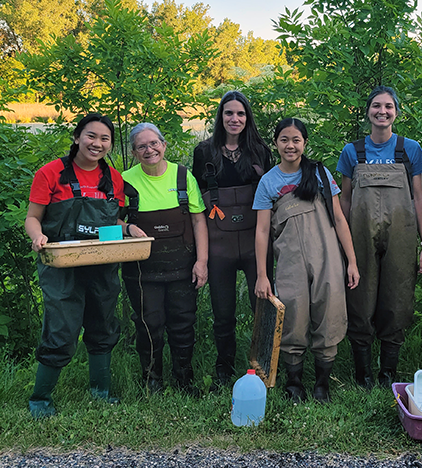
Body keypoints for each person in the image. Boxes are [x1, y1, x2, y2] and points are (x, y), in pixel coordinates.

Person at [25, 113, 126, 418]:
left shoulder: (114, 179)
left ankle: (101, 391)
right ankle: (40, 398)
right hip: (60, 264)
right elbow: (32, 217)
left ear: (109, 144)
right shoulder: (51, 173)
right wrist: (37, 235)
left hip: (102, 264)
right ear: (77, 137)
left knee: (103, 324)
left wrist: (129, 229)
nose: (97, 143)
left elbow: (114, 222)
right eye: (91, 136)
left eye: (104, 138)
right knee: (61, 328)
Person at [254, 118, 360, 402]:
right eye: (284, 139)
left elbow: (339, 218)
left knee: (330, 316)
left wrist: (351, 261)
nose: (290, 145)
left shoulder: (321, 174)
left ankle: (322, 384)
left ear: (304, 143)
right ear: (275, 143)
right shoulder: (268, 182)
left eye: (296, 140)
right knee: (292, 319)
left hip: (328, 259)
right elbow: (263, 231)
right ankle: (294, 383)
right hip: (289, 263)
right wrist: (262, 275)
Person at [337, 86, 422, 388]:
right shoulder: (353, 152)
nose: (382, 111)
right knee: (360, 300)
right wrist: (343, 245)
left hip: (402, 238)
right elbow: (344, 202)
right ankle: (362, 375)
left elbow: (419, 198)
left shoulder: (409, 150)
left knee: (398, 300)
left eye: (389, 106)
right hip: (360, 236)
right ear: (367, 112)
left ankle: (388, 373)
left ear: (396, 112)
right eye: (376, 106)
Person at [192, 91, 273, 387]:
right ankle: (223, 368)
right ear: (220, 117)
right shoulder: (204, 152)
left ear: (247, 117)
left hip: (257, 243)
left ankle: (264, 366)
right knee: (222, 312)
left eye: (240, 114)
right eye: (229, 113)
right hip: (218, 244)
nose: (234, 119)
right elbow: (196, 203)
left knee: (262, 308)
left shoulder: (260, 151)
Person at [121, 122, 209, 396]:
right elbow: (108, 223)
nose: (149, 150)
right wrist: (127, 228)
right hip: (141, 271)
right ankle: (152, 381)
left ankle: (184, 379)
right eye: (142, 146)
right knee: (149, 323)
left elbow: (198, 221)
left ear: (164, 145)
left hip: (183, 267)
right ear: (134, 152)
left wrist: (202, 261)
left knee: (183, 322)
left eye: (154, 143)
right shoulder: (123, 180)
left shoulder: (184, 177)